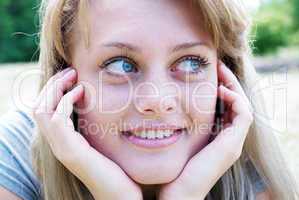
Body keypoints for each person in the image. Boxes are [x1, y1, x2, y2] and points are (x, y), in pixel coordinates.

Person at [0, 0, 298, 199]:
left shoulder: (246, 166)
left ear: (225, 79)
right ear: (65, 79)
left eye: (191, 62)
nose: (157, 100)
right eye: (120, 64)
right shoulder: (16, 156)